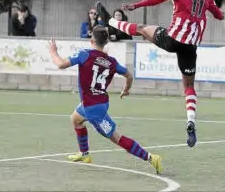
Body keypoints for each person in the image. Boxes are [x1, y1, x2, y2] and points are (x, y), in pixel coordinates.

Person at [95, 0, 224, 147]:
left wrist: (135, 5)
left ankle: (110, 21)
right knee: (188, 86)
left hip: (173, 39)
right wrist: (214, 10)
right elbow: (220, 16)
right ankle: (191, 121)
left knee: (141, 29)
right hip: (190, 48)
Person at [48, 26, 162, 174]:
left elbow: (60, 64)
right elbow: (129, 75)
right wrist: (126, 90)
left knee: (117, 138)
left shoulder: (85, 55)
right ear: (106, 42)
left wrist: (53, 52)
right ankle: (84, 155)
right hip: (97, 102)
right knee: (75, 119)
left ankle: (151, 158)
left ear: (91, 40)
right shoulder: (111, 61)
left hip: (93, 109)